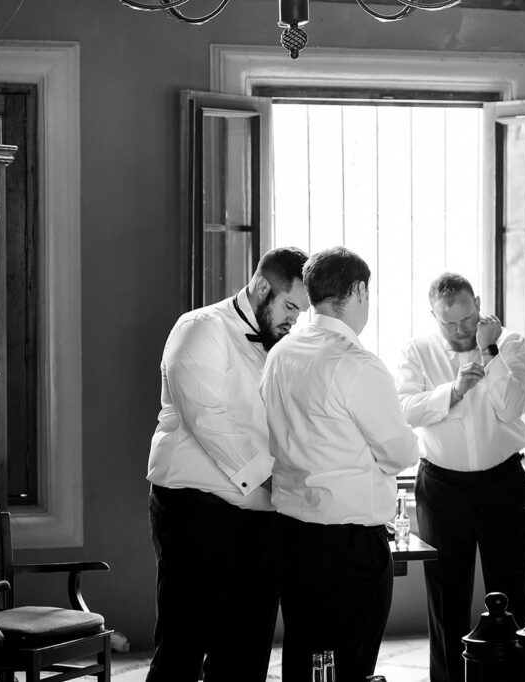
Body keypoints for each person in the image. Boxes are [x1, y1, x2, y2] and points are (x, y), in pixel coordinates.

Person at [145, 246, 310, 682]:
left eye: (302, 310)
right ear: (260, 288)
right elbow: (207, 418)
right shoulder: (201, 327)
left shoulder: (282, 346)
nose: (295, 318)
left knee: (246, 651)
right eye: (290, 305)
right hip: (195, 511)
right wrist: (275, 483)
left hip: (260, 519)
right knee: (183, 645)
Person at [261, 246, 419, 682]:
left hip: (291, 535)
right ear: (359, 290)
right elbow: (402, 454)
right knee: (348, 663)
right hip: (347, 547)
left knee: (304, 657)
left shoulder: (281, 355)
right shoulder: (357, 365)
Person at [395, 272, 525, 682]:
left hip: (503, 484)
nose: (460, 331)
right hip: (442, 487)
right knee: (446, 600)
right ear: (433, 317)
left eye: (468, 320)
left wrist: (488, 352)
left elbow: (512, 408)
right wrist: (452, 392)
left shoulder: (510, 344)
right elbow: (404, 409)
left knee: (511, 597)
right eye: (450, 323)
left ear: (478, 303)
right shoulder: (416, 352)